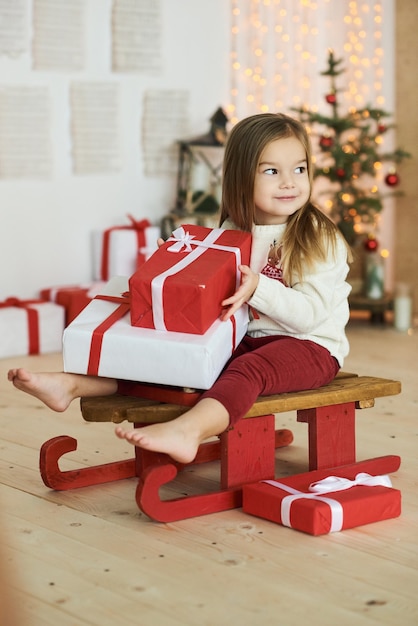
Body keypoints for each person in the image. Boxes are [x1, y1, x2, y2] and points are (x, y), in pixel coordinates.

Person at [8, 112, 352, 465]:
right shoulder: (234, 231)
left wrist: (257, 287)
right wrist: (177, 268)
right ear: (239, 178)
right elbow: (213, 295)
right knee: (180, 361)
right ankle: (74, 384)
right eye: (271, 171)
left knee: (247, 372)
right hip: (248, 338)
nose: (289, 183)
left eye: (299, 169)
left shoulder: (316, 236)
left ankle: (189, 431)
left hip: (311, 347)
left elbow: (312, 316)